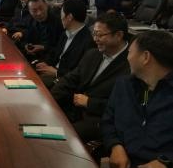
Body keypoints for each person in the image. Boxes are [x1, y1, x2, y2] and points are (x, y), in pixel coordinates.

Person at [101, 30, 173, 168]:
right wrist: (115, 146)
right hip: (124, 163)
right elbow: (108, 121)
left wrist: (165, 160)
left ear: (146, 57)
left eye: (130, 52)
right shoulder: (123, 85)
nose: (127, 57)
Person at [50, 12, 130, 141]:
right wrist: (49, 99)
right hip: (75, 109)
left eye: (99, 35)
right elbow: (70, 79)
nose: (95, 39)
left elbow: (124, 106)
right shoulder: (92, 54)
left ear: (118, 35)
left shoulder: (131, 65)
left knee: (64, 137)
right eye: (94, 34)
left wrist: (90, 103)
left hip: (99, 120)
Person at [35, 0, 95, 88]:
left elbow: (80, 72)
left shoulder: (88, 41)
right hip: (53, 71)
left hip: (65, 80)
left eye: (62, 14)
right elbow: (56, 53)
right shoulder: (66, 33)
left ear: (69, 17)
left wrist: (56, 72)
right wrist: (46, 63)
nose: (60, 17)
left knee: (35, 84)